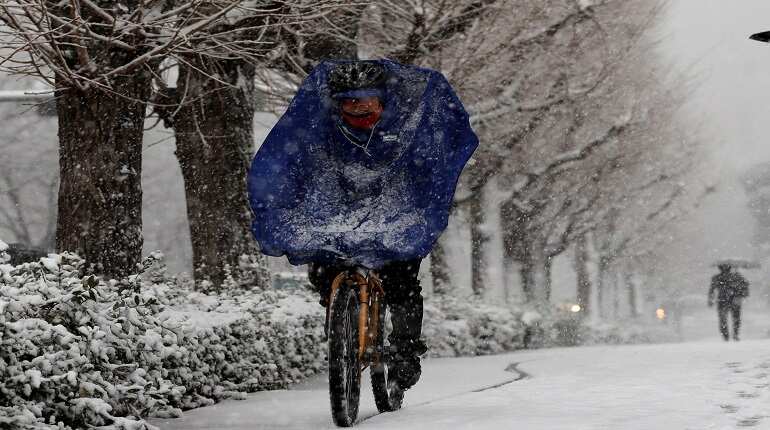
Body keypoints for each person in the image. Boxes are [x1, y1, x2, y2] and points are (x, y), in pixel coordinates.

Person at [248, 60, 479, 391]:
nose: (354, 107)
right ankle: (345, 317)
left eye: (363, 100)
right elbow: (291, 161)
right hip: (338, 211)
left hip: (395, 212)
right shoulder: (322, 126)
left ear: (381, 99)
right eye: (347, 101)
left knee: (402, 282)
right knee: (323, 268)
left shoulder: (407, 126)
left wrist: (421, 199)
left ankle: (405, 352)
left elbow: (430, 163)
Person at [708, 264, 750, 341]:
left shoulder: (717, 277)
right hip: (733, 301)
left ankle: (727, 336)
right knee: (735, 319)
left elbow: (711, 290)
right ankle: (734, 334)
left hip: (723, 301)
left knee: (724, 320)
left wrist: (710, 300)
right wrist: (741, 294)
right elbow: (745, 286)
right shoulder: (736, 276)